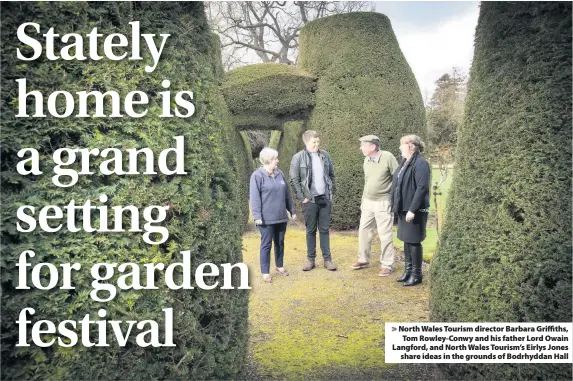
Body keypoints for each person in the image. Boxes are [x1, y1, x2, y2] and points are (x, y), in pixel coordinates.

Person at [351, 135, 399, 277]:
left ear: (372, 147)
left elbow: (398, 178)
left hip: (383, 202)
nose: (361, 148)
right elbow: (367, 181)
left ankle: (387, 264)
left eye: (363, 145)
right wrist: (363, 201)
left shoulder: (387, 157)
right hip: (368, 202)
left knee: (385, 235)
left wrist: (393, 199)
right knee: (364, 231)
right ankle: (363, 259)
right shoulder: (367, 160)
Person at [290, 130, 337, 271]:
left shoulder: (325, 155)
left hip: (324, 199)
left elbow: (332, 175)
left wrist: (331, 194)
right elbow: (294, 179)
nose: (316, 144)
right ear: (306, 142)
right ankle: (310, 260)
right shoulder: (298, 158)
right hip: (309, 200)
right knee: (310, 230)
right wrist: (302, 198)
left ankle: (327, 260)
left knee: (324, 230)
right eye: (313, 142)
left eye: (317, 141)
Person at [250, 147, 296, 283]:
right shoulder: (257, 176)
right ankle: (265, 272)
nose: (278, 161)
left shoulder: (280, 174)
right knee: (266, 244)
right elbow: (254, 197)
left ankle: (279, 266)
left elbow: (287, 194)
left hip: (281, 217)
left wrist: (292, 210)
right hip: (266, 219)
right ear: (269, 160)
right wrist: (257, 216)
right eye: (275, 158)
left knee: (280, 243)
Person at [390, 134, 431, 287]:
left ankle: (416, 274)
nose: (400, 147)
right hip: (404, 208)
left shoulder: (421, 164)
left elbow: (421, 188)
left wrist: (412, 210)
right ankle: (408, 271)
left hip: (414, 210)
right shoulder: (405, 163)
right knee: (406, 240)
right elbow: (398, 184)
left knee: (414, 241)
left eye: (402, 144)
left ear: (411, 145)